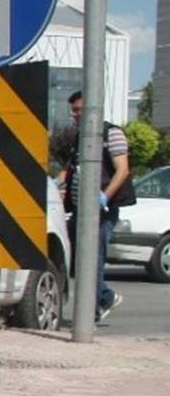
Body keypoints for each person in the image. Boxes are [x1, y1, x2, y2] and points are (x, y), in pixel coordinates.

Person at [57, 91, 134, 322]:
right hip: (80, 209)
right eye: (73, 110)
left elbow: (122, 170)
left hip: (102, 210)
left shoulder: (112, 133)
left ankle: (91, 312)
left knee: (93, 258)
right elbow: (68, 169)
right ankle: (104, 297)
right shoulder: (81, 137)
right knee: (75, 257)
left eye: (78, 110)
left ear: (92, 109)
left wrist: (104, 197)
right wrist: (55, 187)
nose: (74, 115)